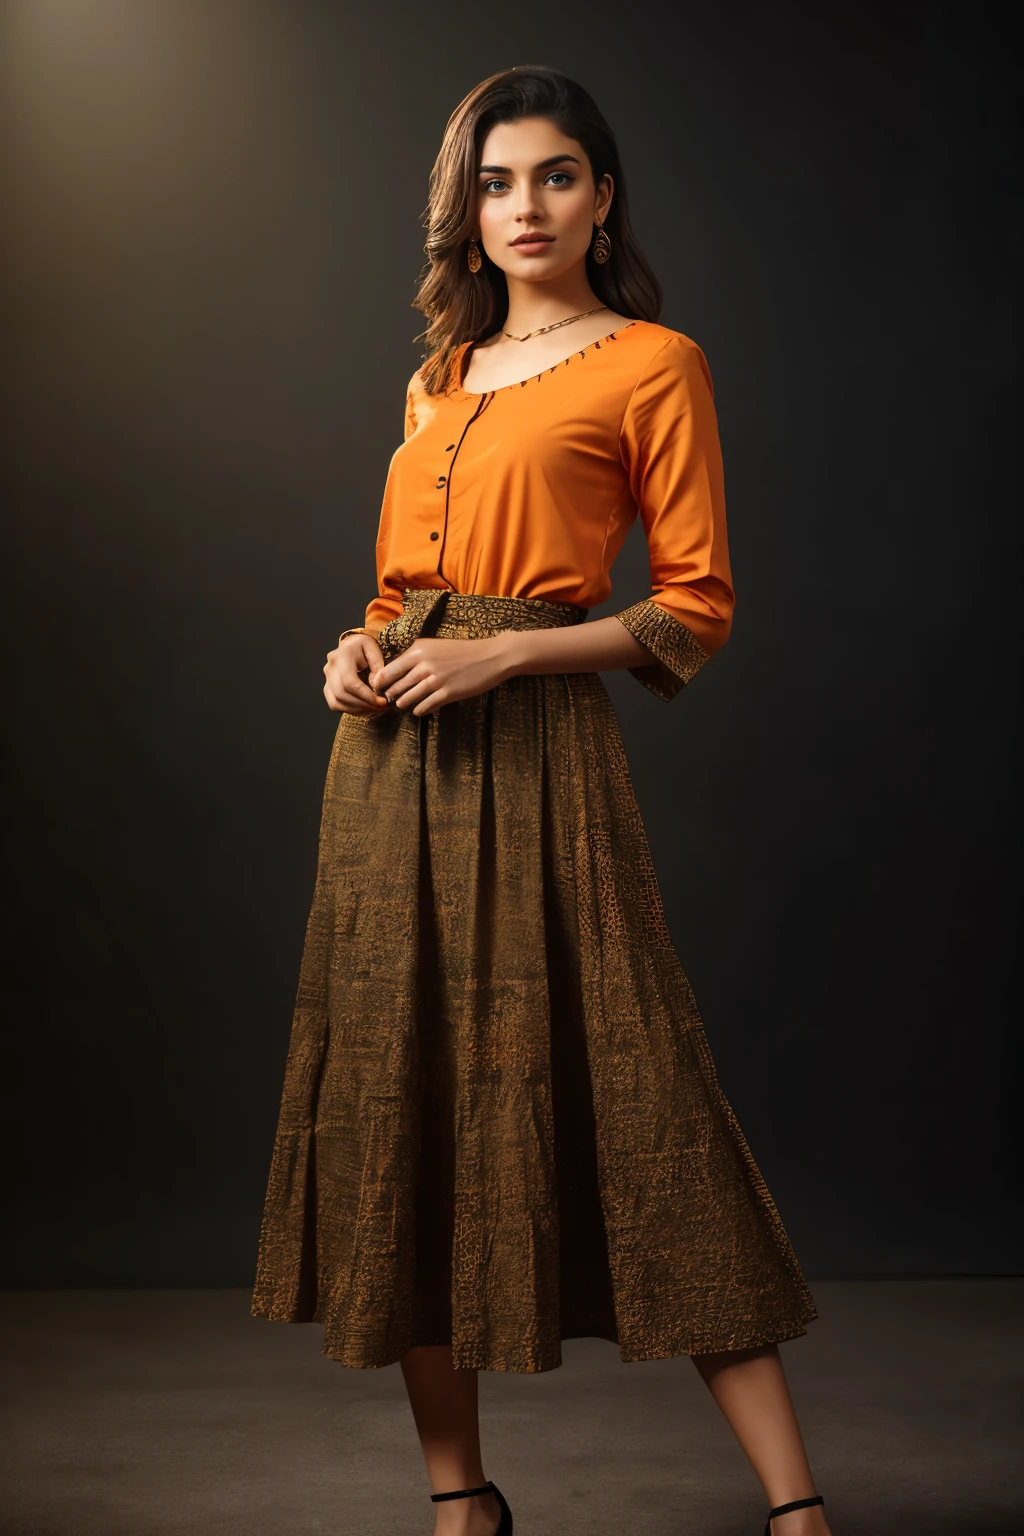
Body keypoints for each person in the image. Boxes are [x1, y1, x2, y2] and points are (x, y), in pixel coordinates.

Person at [252, 65, 832, 1536]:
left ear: (603, 195)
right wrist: (354, 651)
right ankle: (464, 1501)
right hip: (390, 775)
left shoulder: (654, 361)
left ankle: (796, 1508)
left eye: (557, 177)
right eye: (500, 182)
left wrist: (506, 657)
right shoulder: (436, 379)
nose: (528, 207)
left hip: (541, 754)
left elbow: (692, 609)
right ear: (470, 205)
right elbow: (400, 592)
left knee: (637, 1089)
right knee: (406, 1105)